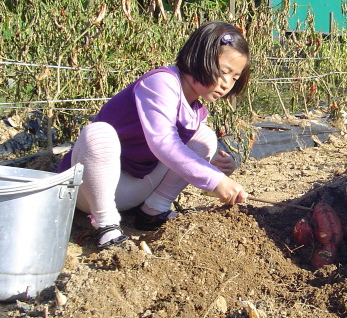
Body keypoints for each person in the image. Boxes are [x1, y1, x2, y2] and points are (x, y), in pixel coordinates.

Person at [57, 21, 250, 247]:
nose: (227, 83)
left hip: (132, 191)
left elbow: (182, 158)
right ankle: (105, 224)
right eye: (224, 71)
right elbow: (164, 143)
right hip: (87, 190)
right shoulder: (161, 82)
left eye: (235, 77)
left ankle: (153, 212)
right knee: (98, 134)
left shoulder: (196, 110)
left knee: (204, 138)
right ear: (200, 57)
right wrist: (215, 180)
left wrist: (217, 171)